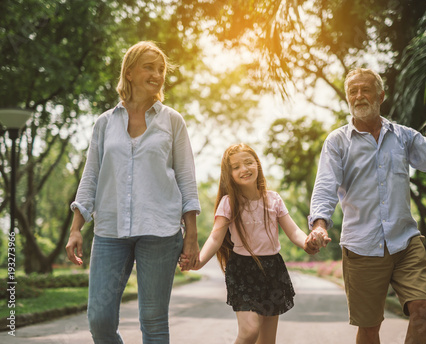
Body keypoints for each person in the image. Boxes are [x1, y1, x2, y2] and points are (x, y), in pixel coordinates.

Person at [307, 67, 426, 344]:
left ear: (380, 95)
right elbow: (325, 188)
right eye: (353, 91)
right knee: (370, 327)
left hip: (405, 242)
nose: (359, 96)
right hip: (362, 247)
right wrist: (319, 226)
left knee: (423, 310)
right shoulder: (338, 142)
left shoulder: (403, 136)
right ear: (348, 99)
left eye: (365, 90)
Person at [65, 41, 201, 343]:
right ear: (129, 72)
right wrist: (76, 228)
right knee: (99, 319)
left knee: (152, 321)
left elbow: (186, 180)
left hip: (160, 230)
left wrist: (191, 235)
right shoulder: (104, 123)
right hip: (110, 230)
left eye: (161, 69)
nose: (157, 74)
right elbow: (91, 176)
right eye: (149, 67)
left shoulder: (172, 121)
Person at [180, 143, 323, 344]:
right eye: (236, 166)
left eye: (248, 163)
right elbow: (215, 237)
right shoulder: (229, 203)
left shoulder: (273, 199)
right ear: (229, 174)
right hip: (242, 271)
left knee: (267, 340)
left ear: (258, 164)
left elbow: (293, 231)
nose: (244, 169)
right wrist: (199, 261)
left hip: (272, 270)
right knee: (249, 331)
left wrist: (307, 242)